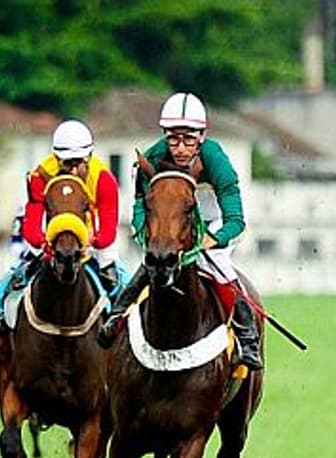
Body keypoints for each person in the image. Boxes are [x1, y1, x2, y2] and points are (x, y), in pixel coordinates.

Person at [96, 91, 263, 371]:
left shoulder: (217, 160)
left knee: (218, 265)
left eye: (189, 139)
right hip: (172, 222)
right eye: (174, 138)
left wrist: (211, 240)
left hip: (215, 223)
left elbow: (236, 219)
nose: (181, 148)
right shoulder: (153, 157)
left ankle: (247, 337)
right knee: (152, 263)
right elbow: (140, 203)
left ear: (202, 136)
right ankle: (116, 317)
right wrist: (145, 232)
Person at [20, 118, 120, 290]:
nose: (73, 171)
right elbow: (33, 219)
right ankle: (1, 312)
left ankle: (120, 312)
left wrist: (96, 240)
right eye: (67, 163)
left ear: (89, 156)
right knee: (19, 276)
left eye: (79, 163)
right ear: (56, 158)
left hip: (91, 237)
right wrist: (41, 241)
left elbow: (109, 223)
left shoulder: (103, 179)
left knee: (115, 280)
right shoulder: (40, 175)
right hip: (51, 240)